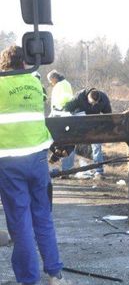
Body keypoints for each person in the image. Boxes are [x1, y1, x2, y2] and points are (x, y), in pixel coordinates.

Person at [0, 45, 69, 284]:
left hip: (9, 161)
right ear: (24, 63)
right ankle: (55, 274)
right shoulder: (34, 84)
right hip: (38, 158)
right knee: (42, 216)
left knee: (21, 222)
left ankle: (28, 280)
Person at [63, 88, 112, 179]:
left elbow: (108, 114)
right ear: (87, 98)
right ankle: (66, 171)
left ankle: (99, 171)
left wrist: (105, 128)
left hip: (93, 125)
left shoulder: (104, 99)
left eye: (95, 104)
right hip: (78, 123)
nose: (93, 105)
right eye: (91, 103)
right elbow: (68, 108)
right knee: (70, 144)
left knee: (97, 145)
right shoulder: (80, 96)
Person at [46, 70, 76, 174]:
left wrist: (56, 111)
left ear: (54, 78)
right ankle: (64, 164)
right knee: (67, 138)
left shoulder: (60, 85)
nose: (51, 83)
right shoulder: (66, 83)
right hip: (66, 112)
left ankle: (56, 154)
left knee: (51, 134)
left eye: (50, 80)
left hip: (59, 112)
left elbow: (60, 100)